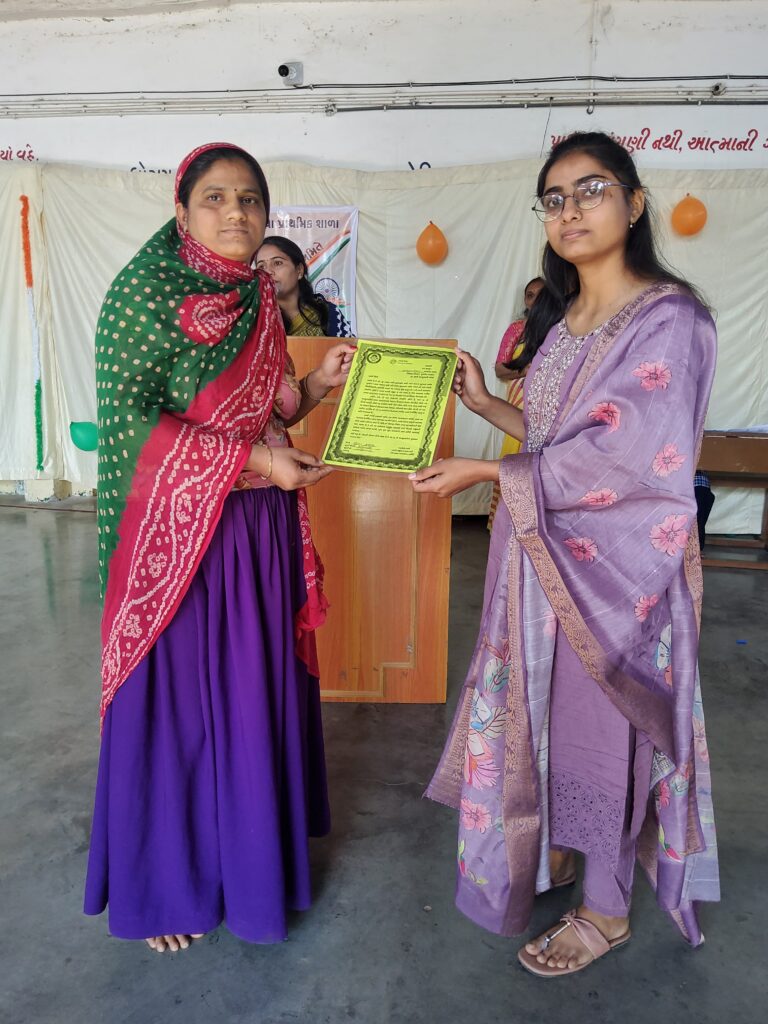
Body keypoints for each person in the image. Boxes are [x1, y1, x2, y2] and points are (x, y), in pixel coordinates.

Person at [410, 132, 719, 977]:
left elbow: (624, 460)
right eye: (554, 198)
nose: (571, 209)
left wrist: (486, 471)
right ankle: (561, 848)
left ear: (635, 203)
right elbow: (552, 437)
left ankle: (608, 911)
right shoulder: (566, 318)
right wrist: (487, 407)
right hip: (538, 562)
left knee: (604, 734)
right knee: (541, 717)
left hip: (617, 576)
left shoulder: (669, 320)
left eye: (591, 189)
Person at [84, 142, 355, 953]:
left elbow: (263, 410)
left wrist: (315, 388)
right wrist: (260, 464)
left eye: (250, 199)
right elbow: (131, 427)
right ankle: (166, 889)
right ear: (182, 210)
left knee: (246, 697)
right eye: (215, 197)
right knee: (178, 709)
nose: (236, 211)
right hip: (177, 545)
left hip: (257, 533)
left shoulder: (257, 297)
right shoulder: (142, 294)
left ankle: (250, 867)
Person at [487, 276, 545, 528]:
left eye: (541, 294)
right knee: (515, 453)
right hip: (518, 401)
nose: (534, 300)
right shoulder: (517, 329)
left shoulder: (563, 327)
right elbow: (500, 369)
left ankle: (534, 524)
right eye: (530, 295)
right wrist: (526, 370)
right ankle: (504, 524)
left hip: (547, 404)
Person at [256, 235, 354, 338]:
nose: (268, 271)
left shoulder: (327, 313)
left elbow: (350, 347)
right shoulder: (255, 320)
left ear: (299, 270)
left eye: (277, 263)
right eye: (261, 266)